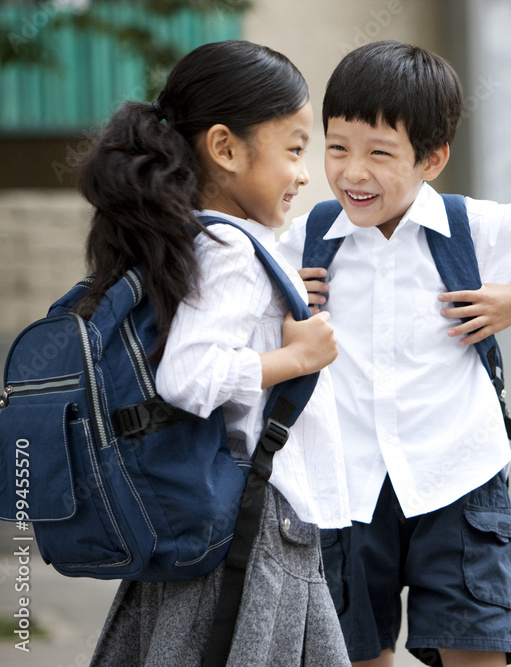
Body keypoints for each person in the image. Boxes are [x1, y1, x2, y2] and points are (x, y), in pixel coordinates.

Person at [277, 40, 511, 667]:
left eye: (380, 153)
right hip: (342, 489)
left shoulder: (470, 227)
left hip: (458, 480)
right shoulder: (305, 238)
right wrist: (285, 301)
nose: (352, 172)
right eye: (338, 147)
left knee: (476, 653)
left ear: (431, 158)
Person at [77, 40, 351, 666]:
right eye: (293, 148)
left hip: (217, 519)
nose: (305, 172)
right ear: (225, 148)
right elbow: (189, 376)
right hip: (252, 529)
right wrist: (298, 357)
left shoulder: (193, 241)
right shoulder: (230, 250)